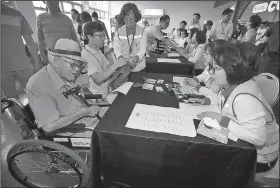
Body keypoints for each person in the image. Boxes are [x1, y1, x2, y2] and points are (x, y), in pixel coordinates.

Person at [196, 42, 279, 174]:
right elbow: (221, 103)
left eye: (216, 68)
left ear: (232, 71)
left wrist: (223, 120)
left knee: (203, 162)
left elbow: (258, 138)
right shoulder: (233, 86)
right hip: (248, 148)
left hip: (259, 159)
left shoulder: (244, 99)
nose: (212, 72)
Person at [27, 39, 101, 137]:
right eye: (73, 64)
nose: (76, 69)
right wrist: (83, 113)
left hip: (86, 116)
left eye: (79, 65)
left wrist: (83, 72)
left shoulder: (68, 74)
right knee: (110, 138)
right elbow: (49, 126)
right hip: (69, 130)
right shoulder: (38, 84)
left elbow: (84, 87)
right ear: (56, 60)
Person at [1, 3, 43, 139]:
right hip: (2, 69)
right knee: (12, 100)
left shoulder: (16, 14)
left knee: (36, 94)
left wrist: (36, 63)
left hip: (23, 64)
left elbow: (30, 42)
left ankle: (42, 120)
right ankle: (23, 126)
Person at [81, 21, 128, 97]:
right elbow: (98, 79)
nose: (103, 39)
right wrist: (117, 65)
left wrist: (125, 63)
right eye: (100, 36)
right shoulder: (85, 55)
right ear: (89, 36)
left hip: (108, 90)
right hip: (99, 97)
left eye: (104, 36)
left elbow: (111, 70)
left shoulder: (98, 51)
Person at [37, 1, 79, 65]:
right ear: (45, 2)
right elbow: (40, 39)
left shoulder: (66, 19)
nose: (54, 6)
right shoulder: (41, 18)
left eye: (56, 3)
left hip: (68, 54)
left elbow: (74, 38)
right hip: (52, 54)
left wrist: (79, 51)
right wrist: (42, 56)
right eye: (51, 3)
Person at [113, 3, 147, 72]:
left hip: (139, 67)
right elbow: (117, 49)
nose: (128, 23)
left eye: (131, 19)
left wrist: (137, 57)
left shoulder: (142, 31)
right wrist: (120, 58)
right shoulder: (118, 32)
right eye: (125, 19)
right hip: (124, 68)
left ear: (136, 18)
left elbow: (142, 49)